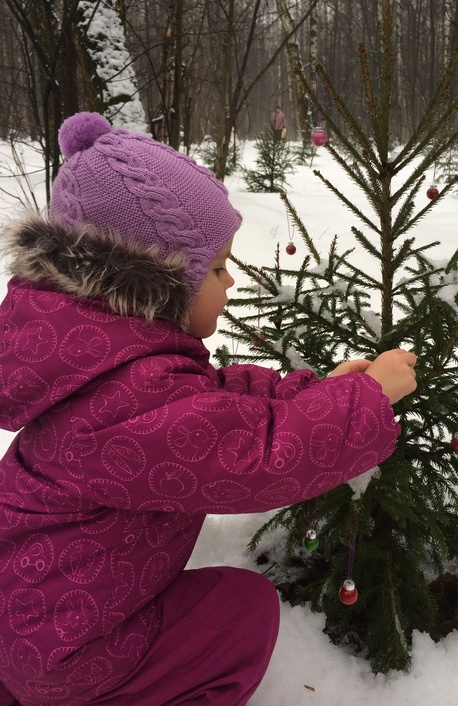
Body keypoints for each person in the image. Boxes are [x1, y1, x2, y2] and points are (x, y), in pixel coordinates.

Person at [0, 112, 417, 706]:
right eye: (217, 268)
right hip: (70, 655)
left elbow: (209, 405)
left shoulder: (95, 360)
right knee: (242, 614)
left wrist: (316, 393)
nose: (231, 283)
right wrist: (368, 400)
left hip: (29, 626)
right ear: (155, 285)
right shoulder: (124, 400)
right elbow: (257, 459)